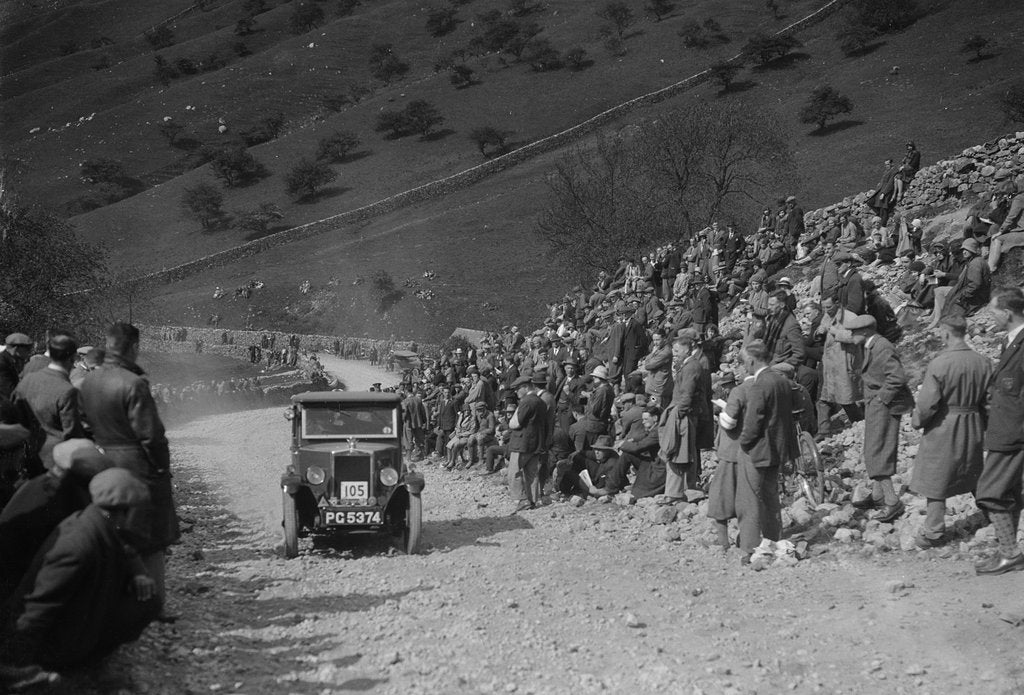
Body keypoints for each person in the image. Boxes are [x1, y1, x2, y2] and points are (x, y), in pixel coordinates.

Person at [0, 468, 159, 669]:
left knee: (148, 601)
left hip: (77, 615)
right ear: (122, 510)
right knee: (143, 605)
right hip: (55, 643)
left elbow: (123, 547)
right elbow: (37, 608)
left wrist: (139, 575)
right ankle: (73, 665)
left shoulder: (94, 518)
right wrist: (15, 668)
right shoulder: (77, 546)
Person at [78, 323, 179, 607]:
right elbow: (151, 436)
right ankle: (154, 605)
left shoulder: (90, 381)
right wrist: (161, 468)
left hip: (103, 459)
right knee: (150, 534)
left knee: (113, 527)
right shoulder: (134, 383)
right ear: (134, 348)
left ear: (108, 345)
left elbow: (84, 423)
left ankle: (119, 597)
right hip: (137, 463)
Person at [909, 315, 991, 548]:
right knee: (973, 468)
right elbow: (989, 401)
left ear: (945, 333)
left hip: (945, 424)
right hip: (972, 421)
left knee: (937, 476)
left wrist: (917, 421)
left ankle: (933, 531)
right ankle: (992, 511)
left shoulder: (940, 363)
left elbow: (927, 405)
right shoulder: (982, 361)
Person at [974, 288, 1024, 575]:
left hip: (1013, 431)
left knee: (990, 492)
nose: (990, 316)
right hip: (1004, 427)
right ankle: (1009, 552)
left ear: (1007, 313)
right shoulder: (1010, 342)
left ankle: (1010, 553)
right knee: (1009, 492)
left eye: (993, 311)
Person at [849, 314, 914, 522]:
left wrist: (881, 399)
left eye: (854, 332)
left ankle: (893, 501)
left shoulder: (882, 347)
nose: (851, 336)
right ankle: (878, 496)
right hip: (875, 403)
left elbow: (897, 377)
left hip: (884, 405)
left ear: (866, 331)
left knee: (877, 450)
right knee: (875, 447)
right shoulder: (870, 345)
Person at [737, 341, 795, 557]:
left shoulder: (759, 386)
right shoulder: (781, 380)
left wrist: (744, 442)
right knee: (771, 496)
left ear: (752, 360)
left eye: (744, 362)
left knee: (750, 499)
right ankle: (774, 539)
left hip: (759, 448)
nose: (744, 367)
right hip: (778, 446)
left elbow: (752, 423)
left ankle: (751, 547)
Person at [11, 334, 85, 474]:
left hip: (29, 455)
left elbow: (14, 414)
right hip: (56, 460)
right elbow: (72, 433)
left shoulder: (28, 379)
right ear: (73, 358)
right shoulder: (67, 390)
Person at [659, 331, 707, 501]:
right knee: (686, 451)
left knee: (676, 451)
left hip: (683, 414)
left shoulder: (691, 367)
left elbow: (687, 393)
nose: (675, 354)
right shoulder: (690, 365)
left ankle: (673, 493)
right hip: (685, 413)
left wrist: (678, 413)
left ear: (687, 349)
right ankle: (688, 487)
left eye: (677, 350)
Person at [813, 296, 864, 438]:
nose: (826, 310)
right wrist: (819, 332)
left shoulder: (850, 317)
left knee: (845, 399)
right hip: (830, 364)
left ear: (837, 303)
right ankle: (823, 431)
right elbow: (824, 329)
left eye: (828, 307)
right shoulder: (827, 315)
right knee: (824, 399)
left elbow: (857, 337)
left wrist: (836, 333)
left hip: (843, 363)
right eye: (823, 307)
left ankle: (860, 423)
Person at [508, 375, 548, 512]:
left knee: (514, 472)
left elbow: (516, 423)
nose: (516, 392)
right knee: (532, 473)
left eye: (518, 389)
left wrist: (512, 420)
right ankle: (532, 500)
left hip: (522, 443)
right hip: (536, 443)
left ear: (525, 387)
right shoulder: (541, 402)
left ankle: (522, 499)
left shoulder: (526, 402)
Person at [0, 333, 34, 401]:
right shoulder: (2, 364)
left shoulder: (13, 360)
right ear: (16, 348)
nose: (30, 352)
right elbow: (9, 392)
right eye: (27, 349)